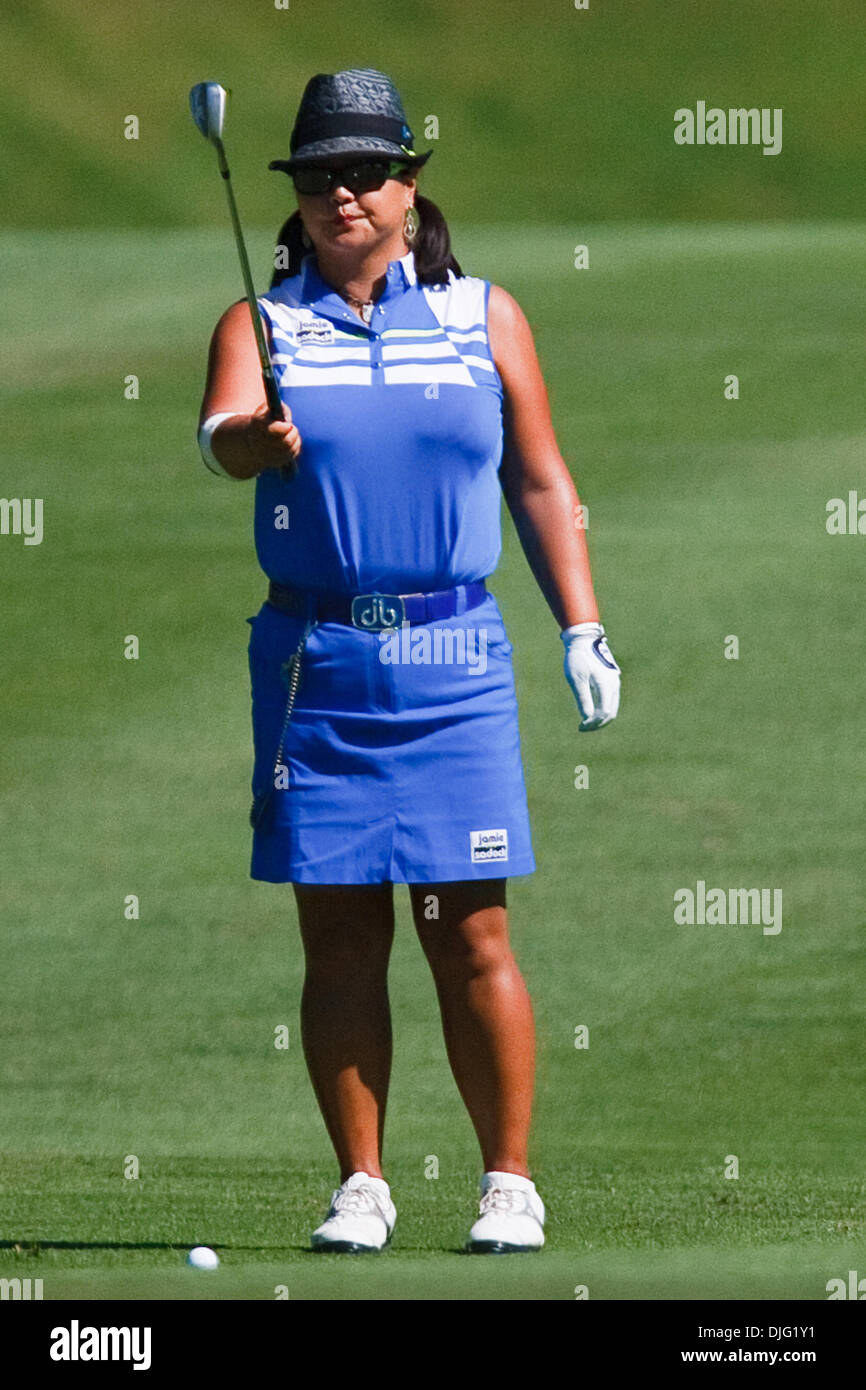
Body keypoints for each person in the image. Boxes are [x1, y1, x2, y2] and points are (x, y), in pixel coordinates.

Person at [196, 68, 620, 1255]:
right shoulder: (263, 321)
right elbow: (224, 435)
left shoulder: (483, 314)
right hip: (314, 659)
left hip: (455, 655)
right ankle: (364, 1186)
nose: (343, 194)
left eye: (366, 173)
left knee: (469, 926)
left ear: (408, 185)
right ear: (295, 196)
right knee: (338, 932)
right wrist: (254, 440)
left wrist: (578, 624)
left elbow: (538, 478)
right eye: (320, 177)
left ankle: (506, 1182)